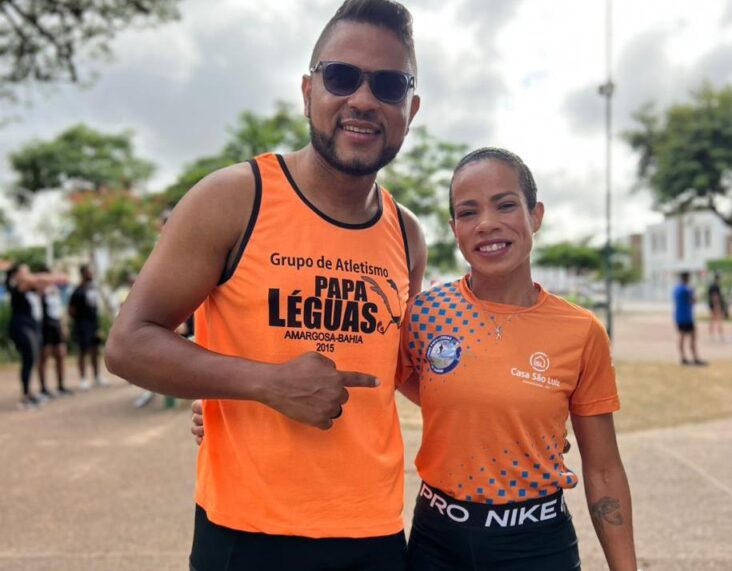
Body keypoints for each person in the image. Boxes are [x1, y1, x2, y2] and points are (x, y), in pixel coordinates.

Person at [191, 148, 638, 570]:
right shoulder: (424, 314)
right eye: (468, 212)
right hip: (437, 539)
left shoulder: (581, 331)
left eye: (505, 206)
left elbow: (603, 470)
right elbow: (360, 366)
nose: (487, 224)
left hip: (536, 544)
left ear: (535, 215)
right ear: (454, 228)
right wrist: (232, 402)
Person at [106, 1, 426, 569]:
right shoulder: (234, 198)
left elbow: (402, 369)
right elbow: (128, 343)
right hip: (245, 534)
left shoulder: (407, 234)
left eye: (389, 85)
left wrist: (525, 408)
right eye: (341, 76)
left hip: (373, 533)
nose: (362, 99)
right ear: (308, 91)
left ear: (411, 108)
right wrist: (262, 383)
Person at [5, 264, 68, 409]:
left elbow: (42, 284)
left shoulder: (31, 290)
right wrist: (56, 277)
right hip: (22, 327)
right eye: (25, 271)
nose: (29, 274)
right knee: (28, 359)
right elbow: (38, 280)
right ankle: (25, 396)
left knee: (32, 359)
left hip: (33, 327)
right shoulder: (19, 286)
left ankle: (30, 393)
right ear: (17, 275)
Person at [68, 264, 108, 389]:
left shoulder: (93, 289)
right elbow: (71, 310)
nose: (91, 274)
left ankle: (97, 376)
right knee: (82, 351)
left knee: (95, 350)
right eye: (89, 272)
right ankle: (83, 378)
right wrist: (80, 320)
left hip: (93, 323)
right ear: (83, 274)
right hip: (82, 324)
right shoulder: (78, 291)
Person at [38, 267, 74, 397]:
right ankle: (43, 388)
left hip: (56, 324)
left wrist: (63, 325)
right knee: (44, 356)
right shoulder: (39, 290)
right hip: (44, 326)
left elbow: (59, 308)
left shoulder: (55, 290)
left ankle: (61, 385)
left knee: (60, 354)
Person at [672, 271, 706, 366]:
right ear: (687, 278)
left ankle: (683, 357)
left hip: (678, 316)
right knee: (693, 337)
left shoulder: (676, 289)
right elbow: (693, 301)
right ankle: (695, 358)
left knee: (681, 337)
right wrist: (695, 293)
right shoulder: (687, 289)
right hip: (687, 317)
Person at [706, 271, 726, 342]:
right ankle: (719, 335)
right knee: (718, 320)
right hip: (715, 305)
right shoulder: (715, 286)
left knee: (712, 320)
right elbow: (715, 296)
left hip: (713, 305)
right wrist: (716, 305)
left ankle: (712, 335)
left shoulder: (712, 285)